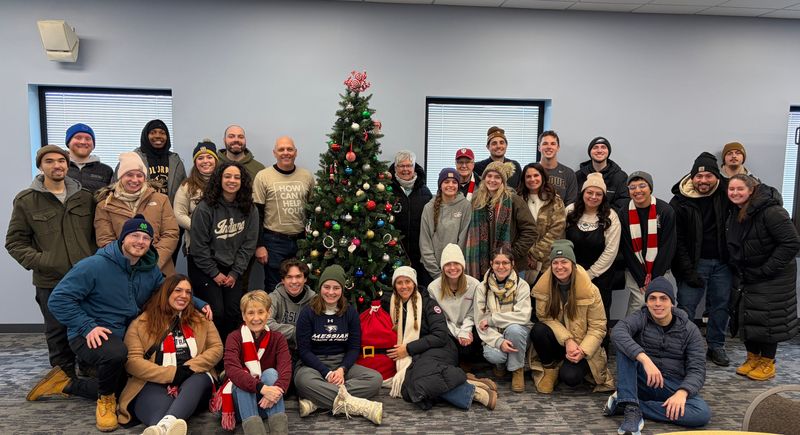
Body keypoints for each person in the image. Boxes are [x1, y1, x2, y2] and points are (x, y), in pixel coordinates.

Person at [45, 216, 208, 432]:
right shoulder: (94, 265)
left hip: (125, 334)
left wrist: (198, 303)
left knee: (129, 385)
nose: (140, 241)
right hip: (90, 334)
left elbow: (165, 290)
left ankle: (65, 384)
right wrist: (87, 326)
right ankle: (105, 401)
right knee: (116, 355)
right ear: (123, 238)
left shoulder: (147, 268)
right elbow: (57, 299)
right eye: (134, 236)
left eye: (146, 238)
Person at [6, 145, 95, 392]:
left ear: (67, 165)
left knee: (89, 323)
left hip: (85, 278)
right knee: (56, 331)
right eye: (49, 161)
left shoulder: (85, 197)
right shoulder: (27, 201)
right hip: (50, 280)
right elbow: (14, 242)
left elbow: (96, 236)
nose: (57, 165)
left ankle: (88, 368)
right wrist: (44, 261)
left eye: (61, 161)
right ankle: (62, 376)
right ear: (41, 166)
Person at [117, 275, 223, 435]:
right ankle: (164, 427)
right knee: (164, 414)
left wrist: (188, 368)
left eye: (188, 292)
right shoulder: (141, 323)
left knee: (199, 379)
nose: (184, 296)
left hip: (194, 379)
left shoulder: (201, 320)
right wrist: (172, 374)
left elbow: (216, 348)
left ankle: (163, 425)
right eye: (178, 290)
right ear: (165, 293)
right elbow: (132, 361)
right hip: (153, 381)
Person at [605, 277, 711, 434]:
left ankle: (629, 404)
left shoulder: (690, 329)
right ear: (647, 302)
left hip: (671, 386)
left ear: (672, 303)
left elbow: (697, 369)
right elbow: (618, 332)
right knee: (625, 348)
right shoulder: (641, 317)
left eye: (663, 298)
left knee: (701, 413)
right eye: (652, 298)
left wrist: (682, 393)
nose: (658, 303)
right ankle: (631, 410)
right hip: (643, 380)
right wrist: (645, 359)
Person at [384, 266, 498, 411]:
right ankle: (470, 383)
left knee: (418, 384)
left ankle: (475, 394)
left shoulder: (428, 303)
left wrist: (408, 348)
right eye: (399, 282)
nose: (404, 286)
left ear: (414, 283)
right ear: (394, 285)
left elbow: (440, 335)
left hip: (440, 348)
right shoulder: (391, 305)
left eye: (408, 281)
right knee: (409, 389)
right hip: (418, 354)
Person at [726, 174, 800, 381]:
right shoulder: (736, 211)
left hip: (772, 277)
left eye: (739, 189)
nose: (735, 193)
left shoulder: (772, 211)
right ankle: (752, 358)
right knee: (747, 315)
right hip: (747, 273)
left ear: (751, 190)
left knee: (767, 319)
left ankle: (767, 362)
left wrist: (766, 269)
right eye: (731, 189)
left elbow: (791, 243)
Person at [294, 265, 383, 424]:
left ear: (342, 289)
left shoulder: (350, 312)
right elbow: (304, 351)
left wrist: (342, 370)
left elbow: (354, 348)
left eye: (336, 288)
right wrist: (327, 373)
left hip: (341, 364)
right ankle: (358, 405)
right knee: (302, 381)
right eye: (326, 287)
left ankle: (316, 401)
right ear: (320, 287)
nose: (331, 292)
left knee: (375, 379)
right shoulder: (308, 312)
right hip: (313, 365)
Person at [670, 152, 732, 367]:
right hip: (693, 264)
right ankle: (683, 347)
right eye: (699, 176)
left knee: (721, 306)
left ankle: (716, 346)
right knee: (685, 307)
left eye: (709, 177)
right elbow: (677, 241)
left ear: (717, 177)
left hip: (724, 263)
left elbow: (754, 194)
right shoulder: (679, 201)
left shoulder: (728, 194)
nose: (703, 181)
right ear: (692, 177)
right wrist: (688, 271)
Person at [529, 240, 614, 394]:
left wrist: (582, 350)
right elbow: (545, 318)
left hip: (582, 344)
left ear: (573, 264)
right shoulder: (544, 287)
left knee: (571, 377)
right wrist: (567, 340)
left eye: (564, 262)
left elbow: (598, 327)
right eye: (555, 262)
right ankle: (550, 369)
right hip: (560, 342)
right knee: (538, 330)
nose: (559, 267)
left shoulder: (590, 290)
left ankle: (567, 368)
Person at [189, 161, 259, 342]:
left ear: (242, 181)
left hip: (233, 268)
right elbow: (198, 247)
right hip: (205, 267)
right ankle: (213, 352)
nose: (232, 180)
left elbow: (249, 244)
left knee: (234, 311)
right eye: (227, 176)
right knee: (216, 311)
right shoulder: (205, 208)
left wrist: (235, 273)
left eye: (237, 177)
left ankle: (230, 354)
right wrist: (215, 273)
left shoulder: (250, 208)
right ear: (219, 179)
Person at [95, 152, 179, 276]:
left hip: (159, 269)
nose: (135, 180)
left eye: (139, 175)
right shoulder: (105, 205)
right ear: (121, 177)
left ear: (145, 177)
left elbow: (171, 233)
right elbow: (105, 240)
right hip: (122, 270)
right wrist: (128, 263)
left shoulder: (161, 200)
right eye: (129, 175)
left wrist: (154, 261)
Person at [220, 290, 291, 434]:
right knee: (243, 381)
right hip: (241, 405)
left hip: (267, 402)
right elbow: (231, 369)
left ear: (268, 313)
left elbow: (286, 369)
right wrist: (262, 388)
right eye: (251, 313)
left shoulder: (278, 338)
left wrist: (273, 392)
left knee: (271, 374)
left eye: (261, 312)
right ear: (243, 316)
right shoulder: (234, 337)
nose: (256, 318)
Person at [253, 136, 315, 292]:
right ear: (275, 153)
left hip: (301, 240)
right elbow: (256, 214)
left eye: (289, 149)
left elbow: (313, 210)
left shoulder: (306, 176)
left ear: (296, 152)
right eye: (281, 149)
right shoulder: (263, 176)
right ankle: (274, 317)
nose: (286, 152)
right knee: (275, 287)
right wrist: (259, 245)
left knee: (301, 285)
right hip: (274, 241)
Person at [465, 161, 537, 280]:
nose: (492, 180)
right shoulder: (476, 200)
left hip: (513, 265)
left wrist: (511, 253)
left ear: (503, 180)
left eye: (497, 177)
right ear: (484, 178)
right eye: (489, 176)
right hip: (482, 266)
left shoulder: (514, 200)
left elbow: (531, 231)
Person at [474, 248, 532, 393]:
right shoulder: (482, 288)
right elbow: (480, 321)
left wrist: (493, 319)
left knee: (514, 329)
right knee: (492, 355)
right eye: (497, 263)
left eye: (505, 262)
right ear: (491, 264)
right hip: (494, 335)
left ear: (512, 264)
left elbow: (523, 316)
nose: (501, 267)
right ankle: (501, 364)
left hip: (517, 333)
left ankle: (516, 369)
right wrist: (499, 341)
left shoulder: (522, 285)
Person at [565, 173, 620, 322]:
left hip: (600, 276)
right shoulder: (570, 210)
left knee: (598, 317)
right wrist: (569, 272)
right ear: (583, 193)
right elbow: (561, 241)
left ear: (603, 197)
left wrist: (589, 275)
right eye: (589, 192)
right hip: (570, 273)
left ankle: (601, 345)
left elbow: (611, 251)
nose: (593, 197)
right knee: (571, 314)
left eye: (598, 194)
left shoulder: (611, 217)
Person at [619, 171, 677, 315]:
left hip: (661, 269)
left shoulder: (665, 211)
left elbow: (668, 246)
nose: (637, 191)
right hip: (634, 269)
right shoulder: (623, 213)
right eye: (632, 187)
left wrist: (655, 278)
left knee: (658, 304)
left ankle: (658, 335)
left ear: (650, 188)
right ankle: (630, 334)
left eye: (642, 186)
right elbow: (626, 247)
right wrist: (641, 279)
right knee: (639, 301)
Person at [427, 244, 483, 364]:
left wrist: (465, 331)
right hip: (447, 329)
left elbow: (473, 312)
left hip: (469, 326)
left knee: (474, 343)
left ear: (462, 265)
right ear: (442, 267)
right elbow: (439, 317)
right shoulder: (433, 288)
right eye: (448, 264)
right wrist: (458, 334)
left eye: (456, 263)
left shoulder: (475, 284)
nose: (452, 268)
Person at [419, 168, 472, 280]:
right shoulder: (429, 208)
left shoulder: (465, 206)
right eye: (446, 182)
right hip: (431, 271)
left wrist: (455, 268)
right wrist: (436, 274)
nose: (450, 185)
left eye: (454, 182)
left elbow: (463, 241)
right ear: (440, 185)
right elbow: (425, 243)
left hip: (456, 270)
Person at [517, 162, 566, 285]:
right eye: (528, 176)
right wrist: (526, 255)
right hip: (522, 261)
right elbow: (515, 230)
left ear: (543, 177)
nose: (532, 179)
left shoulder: (555, 200)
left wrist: (535, 255)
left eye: (536, 175)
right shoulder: (517, 199)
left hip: (548, 262)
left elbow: (557, 231)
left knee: (544, 300)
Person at [390, 150, 434, 286]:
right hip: (394, 252)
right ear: (395, 168)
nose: (405, 169)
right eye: (401, 166)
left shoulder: (425, 192)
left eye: (409, 165)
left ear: (414, 167)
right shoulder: (386, 191)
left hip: (419, 254)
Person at [173, 140, 218, 257]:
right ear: (195, 162)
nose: (205, 161)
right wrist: (200, 228)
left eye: (209, 157)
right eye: (200, 158)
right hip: (197, 245)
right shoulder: (187, 186)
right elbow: (178, 214)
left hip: (223, 246)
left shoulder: (225, 182)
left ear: (216, 160)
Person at [129, 119, 187, 203]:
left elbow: (184, 190)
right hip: (140, 212)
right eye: (153, 132)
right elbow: (119, 188)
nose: (158, 136)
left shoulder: (176, 161)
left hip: (169, 212)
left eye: (162, 133)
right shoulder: (132, 159)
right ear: (146, 135)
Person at [267, 258, 317, 351]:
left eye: (298, 276)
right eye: (289, 277)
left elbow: (318, 327)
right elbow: (266, 323)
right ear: (283, 280)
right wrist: (296, 332)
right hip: (278, 349)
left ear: (305, 279)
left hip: (306, 350)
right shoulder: (273, 298)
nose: (294, 281)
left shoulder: (314, 300)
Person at [574, 136, 629, 210]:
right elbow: (574, 200)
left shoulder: (620, 177)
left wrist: (604, 216)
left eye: (603, 147)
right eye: (595, 147)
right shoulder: (578, 175)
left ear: (608, 151)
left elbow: (623, 202)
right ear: (590, 152)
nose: (599, 150)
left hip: (609, 219)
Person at [64, 123, 113, 192]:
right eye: (78, 138)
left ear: (93, 145)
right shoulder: (58, 167)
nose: (83, 142)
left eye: (88, 139)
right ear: (68, 142)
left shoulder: (106, 171)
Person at [538, 130, 578, 206]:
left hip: (560, 216)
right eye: (545, 144)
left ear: (558, 148)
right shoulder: (531, 171)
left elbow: (570, 205)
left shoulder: (569, 174)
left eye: (553, 144)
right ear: (539, 148)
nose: (549, 147)